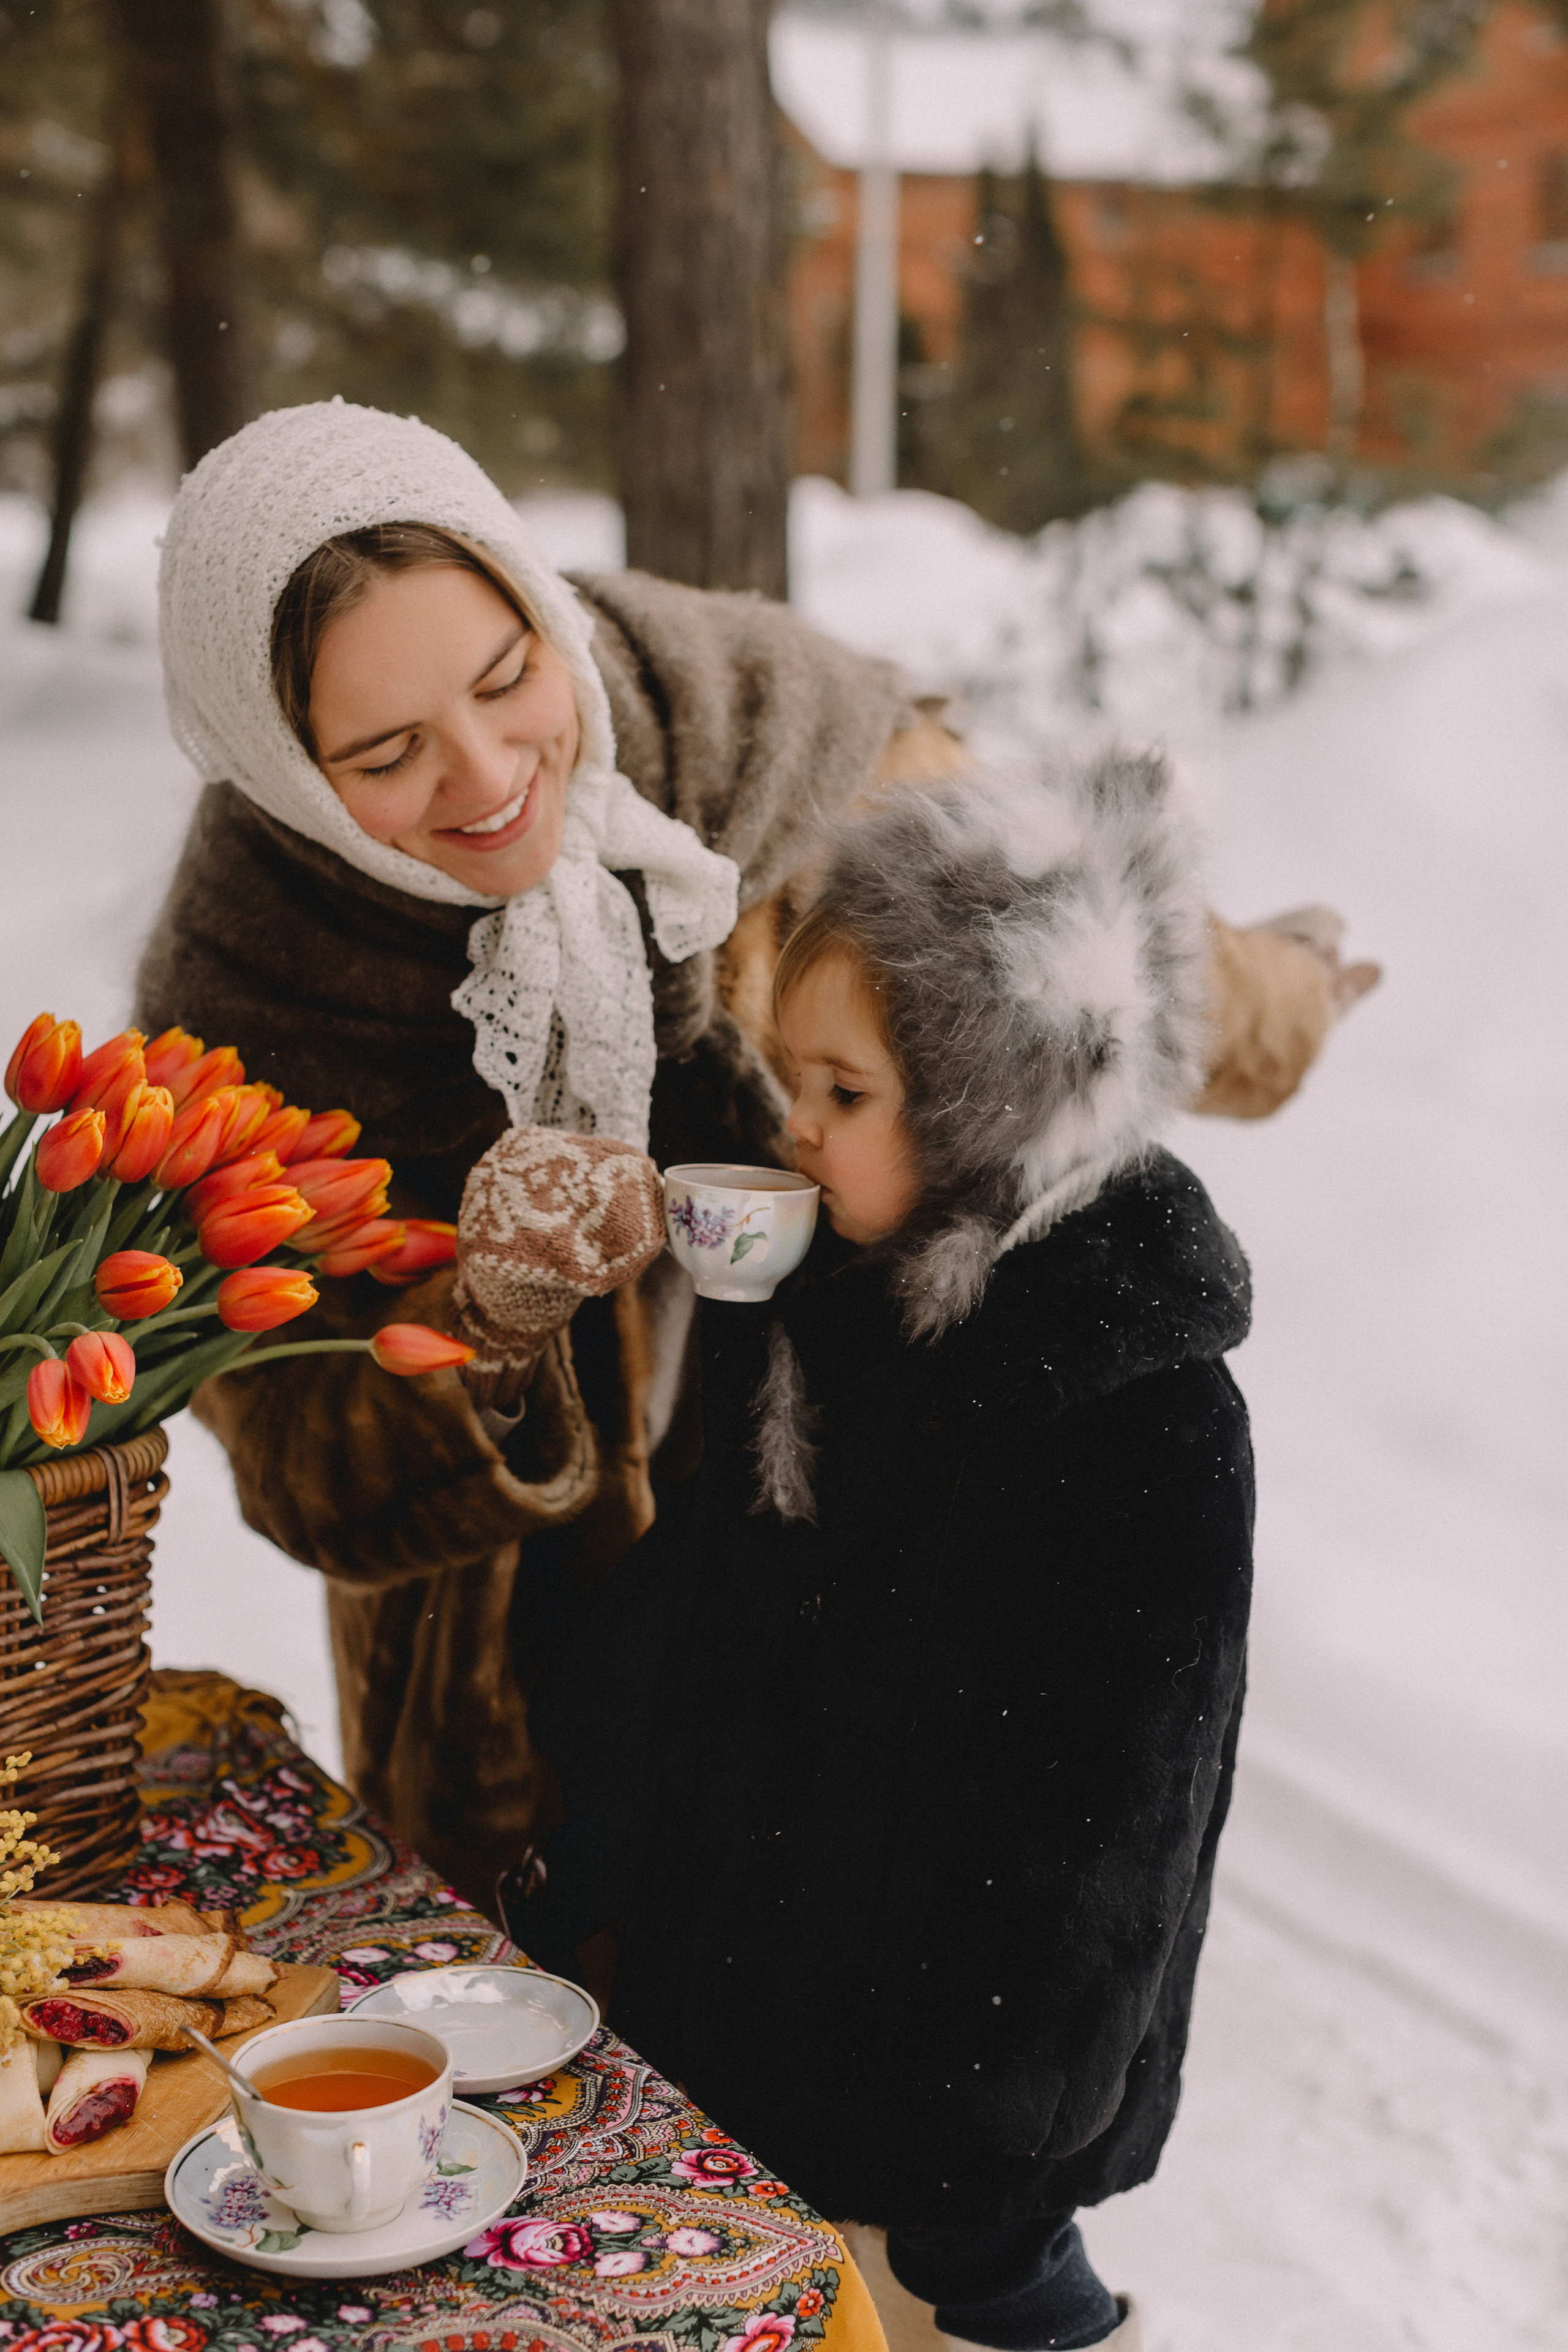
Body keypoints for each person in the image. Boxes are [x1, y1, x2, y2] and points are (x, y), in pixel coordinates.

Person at [135, 397, 1352, 1919]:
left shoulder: (756, 728)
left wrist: (1293, 994)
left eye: (510, 676)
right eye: (385, 755)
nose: (485, 774)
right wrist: (485, 1331)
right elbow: (300, 1453)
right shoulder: (251, 988)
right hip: (495, 1676)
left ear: (539, 602)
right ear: (289, 771)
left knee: (789, 1985)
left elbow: (1086, 949)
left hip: (816, 1554)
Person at [518, 754, 1254, 2352]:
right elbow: (719, 1605)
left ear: (997, 1104)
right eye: (795, 1078)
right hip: (764, 2008)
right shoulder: (828, 1307)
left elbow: (1121, 1805)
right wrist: (583, 1812)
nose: (794, 1123)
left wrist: (1007, 2113)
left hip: (961, 2092)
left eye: (844, 1095)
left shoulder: (1138, 1408)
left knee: (975, 2300)